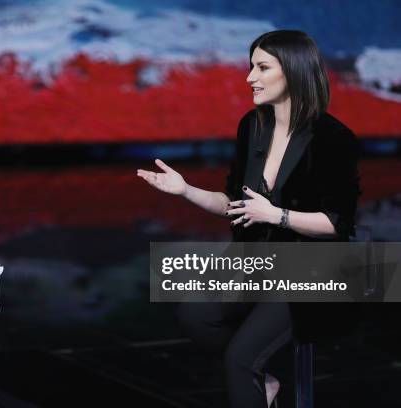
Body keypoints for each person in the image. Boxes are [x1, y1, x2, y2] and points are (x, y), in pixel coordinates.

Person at [137, 30, 360, 407]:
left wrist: (278, 215)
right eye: (250, 66)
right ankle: (266, 382)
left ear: (292, 71)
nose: (249, 78)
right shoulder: (252, 126)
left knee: (239, 360)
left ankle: (255, 377)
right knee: (195, 316)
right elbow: (234, 204)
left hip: (311, 273)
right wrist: (186, 190)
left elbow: (338, 223)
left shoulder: (332, 138)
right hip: (255, 262)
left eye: (261, 67)